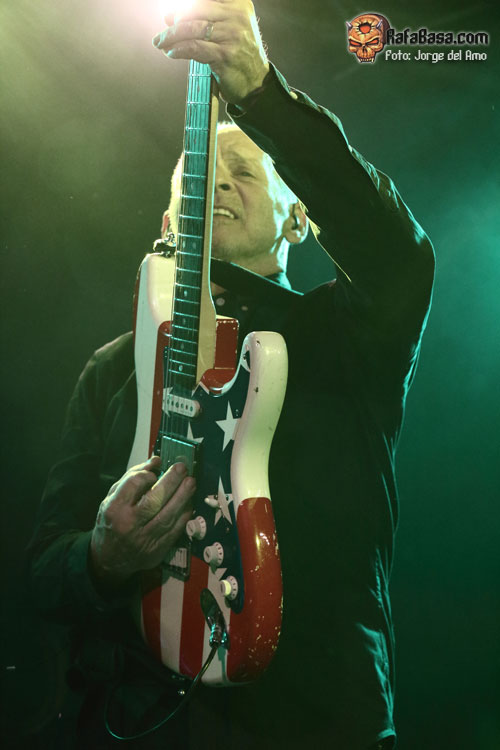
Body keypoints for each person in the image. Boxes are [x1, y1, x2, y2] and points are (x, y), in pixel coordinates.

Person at [28, 1, 435, 748]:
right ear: (168, 220)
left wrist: (259, 92)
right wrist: (100, 557)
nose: (215, 184)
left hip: (310, 724)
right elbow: (41, 568)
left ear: (298, 218)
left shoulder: (345, 337)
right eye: (197, 176)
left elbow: (397, 255)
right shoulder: (113, 369)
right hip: (135, 719)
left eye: (244, 171)